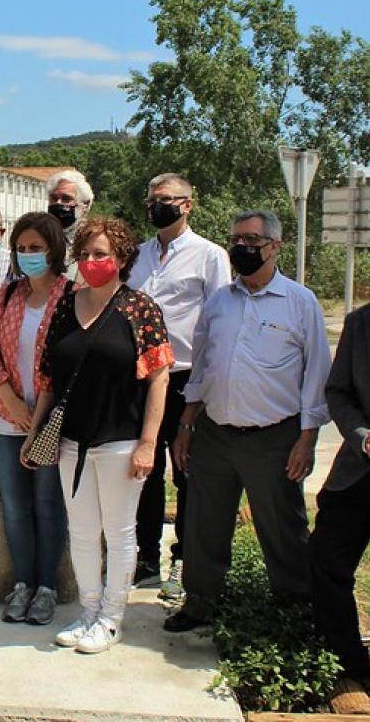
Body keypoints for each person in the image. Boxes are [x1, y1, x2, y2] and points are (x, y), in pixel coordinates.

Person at [166, 210, 331, 633]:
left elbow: (316, 376)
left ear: (275, 246)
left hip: (274, 438)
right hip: (215, 434)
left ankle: (295, 609)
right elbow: (202, 367)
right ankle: (200, 602)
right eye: (237, 238)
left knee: (283, 528)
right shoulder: (220, 300)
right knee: (205, 524)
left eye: (253, 240)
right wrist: (186, 426)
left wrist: (307, 438)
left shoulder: (300, 302)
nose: (243, 247)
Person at [23, 217, 173, 653]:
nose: (91, 262)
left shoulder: (139, 309)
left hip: (122, 441)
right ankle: (88, 611)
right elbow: (49, 379)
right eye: (85, 254)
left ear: (122, 258)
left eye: (101, 254)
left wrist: (148, 443)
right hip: (72, 442)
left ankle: (111, 618)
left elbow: (159, 378)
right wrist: (34, 437)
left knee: (120, 531)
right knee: (83, 531)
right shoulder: (66, 307)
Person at [127, 173, 231, 599]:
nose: (157, 207)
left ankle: (184, 561)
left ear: (187, 205)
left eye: (166, 200)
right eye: (152, 200)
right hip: (141, 376)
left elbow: (220, 324)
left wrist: (204, 390)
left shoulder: (210, 256)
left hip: (188, 377)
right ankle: (147, 556)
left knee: (188, 473)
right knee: (144, 470)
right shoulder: (136, 256)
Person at [0, 212, 70, 624]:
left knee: (48, 504)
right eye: (22, 248)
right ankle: (22, 584)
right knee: (15, 507)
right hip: (7, 417)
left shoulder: (70, 296)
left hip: (50, 421)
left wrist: (36, 414)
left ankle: (47, 588)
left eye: (37, 247)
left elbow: (67, 359)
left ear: (53, 249)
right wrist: (11, 403)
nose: (29, 255)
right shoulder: (8, 295)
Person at [309, 304, 370, 686]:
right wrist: (362, 436)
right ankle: (348, 661)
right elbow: (339, 391)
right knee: (325, 559)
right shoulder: (359, 323)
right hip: (359, 470)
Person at [44, 169, 94, 243]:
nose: (58, 203)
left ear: (85, 205)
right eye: (54, 198)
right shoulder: (39, 237)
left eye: (66, 199)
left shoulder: (93, 240)